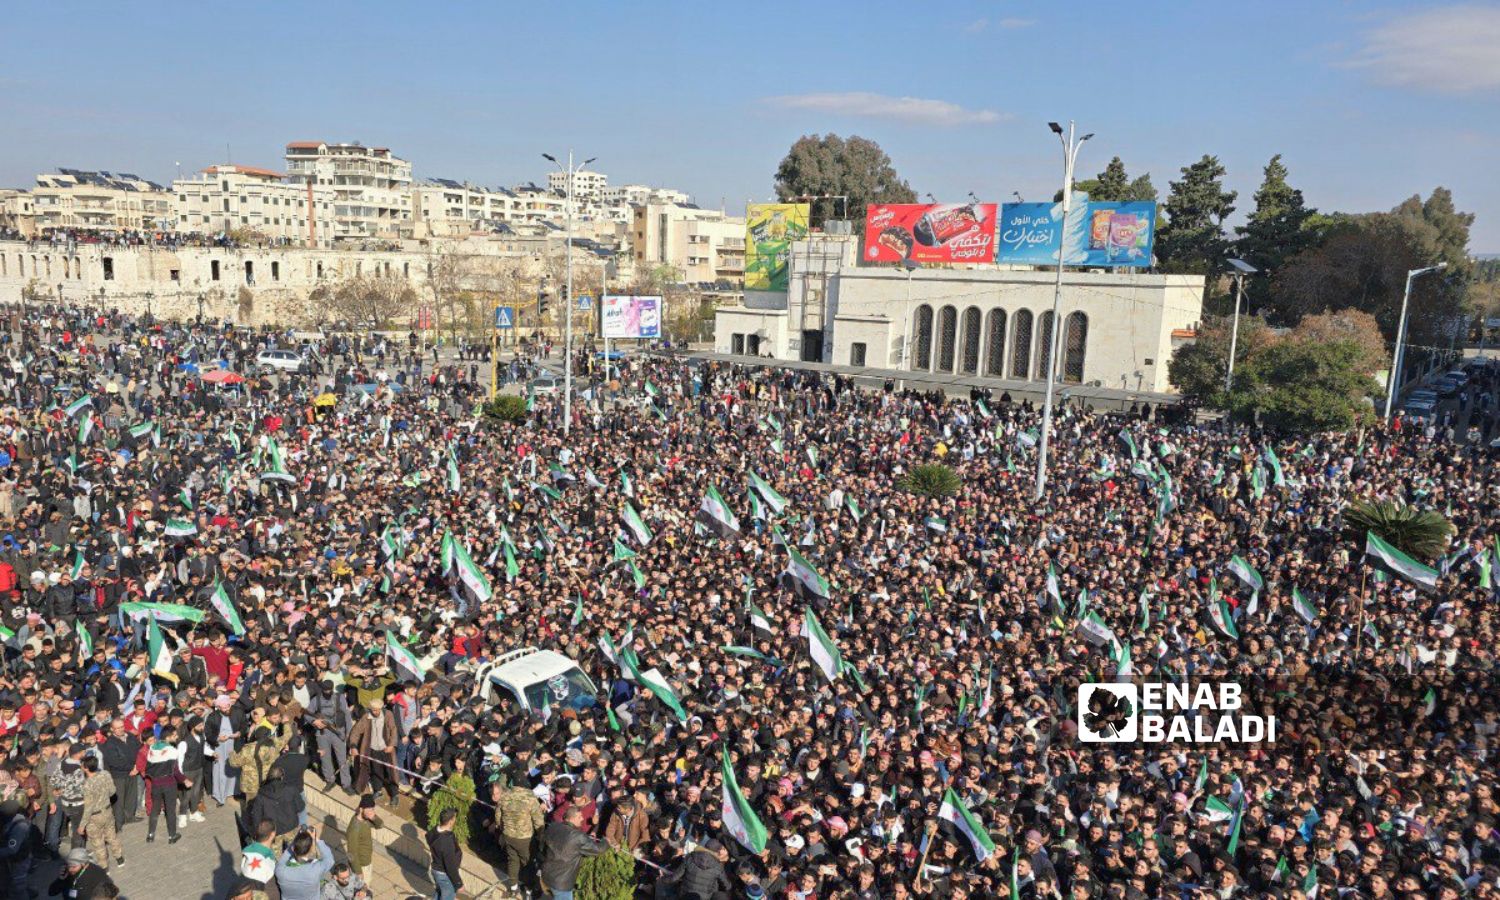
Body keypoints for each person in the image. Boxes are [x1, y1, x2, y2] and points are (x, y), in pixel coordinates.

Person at [540, 807, 607, 900]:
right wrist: (605, 841)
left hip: (546, 876)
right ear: (572, 818)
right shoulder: (577, 836)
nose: (583, 819)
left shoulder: (553, 826)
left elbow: (542, 847)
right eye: (580, 817)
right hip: (561, 883)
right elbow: (598, 850)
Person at [495, 773, 545, 888]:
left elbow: (498, 816)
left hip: (508, 835)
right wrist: (540, 836)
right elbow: (538, 820)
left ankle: (513, 886)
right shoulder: (530, 798)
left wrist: (503, 829)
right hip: (524, 838)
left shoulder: (504, 795)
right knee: (528, 863)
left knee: (512, 860)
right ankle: (528, 888)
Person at [78, 756, 122, 871]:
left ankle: (104, 867)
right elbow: (112, 791)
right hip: (107, 811)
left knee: (98, 842)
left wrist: (82, 825)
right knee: (112, 836)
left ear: (86, 768)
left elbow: (88, 808)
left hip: (94, 816)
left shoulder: (87, 785)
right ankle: (119, 858)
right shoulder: (105, 774)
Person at [273, 824, 335, 900]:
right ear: (310, 849)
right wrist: (316, 839)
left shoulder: (279, 870)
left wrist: (296, 841)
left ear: (293, 849)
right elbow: (329, 859)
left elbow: (285, 854)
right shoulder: (315, 870)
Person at [47, 846, 118, 900]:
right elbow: (51, 892)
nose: (70, 869)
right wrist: (60, 879)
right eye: (69, 865)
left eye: (74, 866)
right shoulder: (67, 873)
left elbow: (110, 893)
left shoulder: (97, 874)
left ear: (84, 864)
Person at [426, 806, 464, 900]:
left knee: (439, 893)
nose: (455, 819)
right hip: (444, 875)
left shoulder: (434, 831)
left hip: (436, 870)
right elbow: (450, 866)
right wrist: (458, 884)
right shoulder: (446, 842)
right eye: (454, 817)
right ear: (451, 821)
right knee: (448, 896)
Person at [343, 794, 381, 884]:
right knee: (362, 891)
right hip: (361, 864)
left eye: (373, 809)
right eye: (370, 810)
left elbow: (380, 825)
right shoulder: (355, 828)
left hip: (367, 860)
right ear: (361, 809)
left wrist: (374, 817)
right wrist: (358, 872)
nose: (372, 812)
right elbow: (351, 853)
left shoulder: (366, 818)